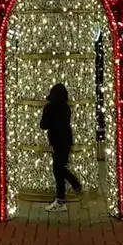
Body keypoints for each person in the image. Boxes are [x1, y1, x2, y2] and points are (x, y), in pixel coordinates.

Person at [39, 83, 81, 211]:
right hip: (66, 141)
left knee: (58, 170)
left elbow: (43, 125)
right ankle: (62, 198)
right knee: (59, 168)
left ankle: (68, 192)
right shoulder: (66, 108)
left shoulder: (49, 107)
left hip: (56, 142)